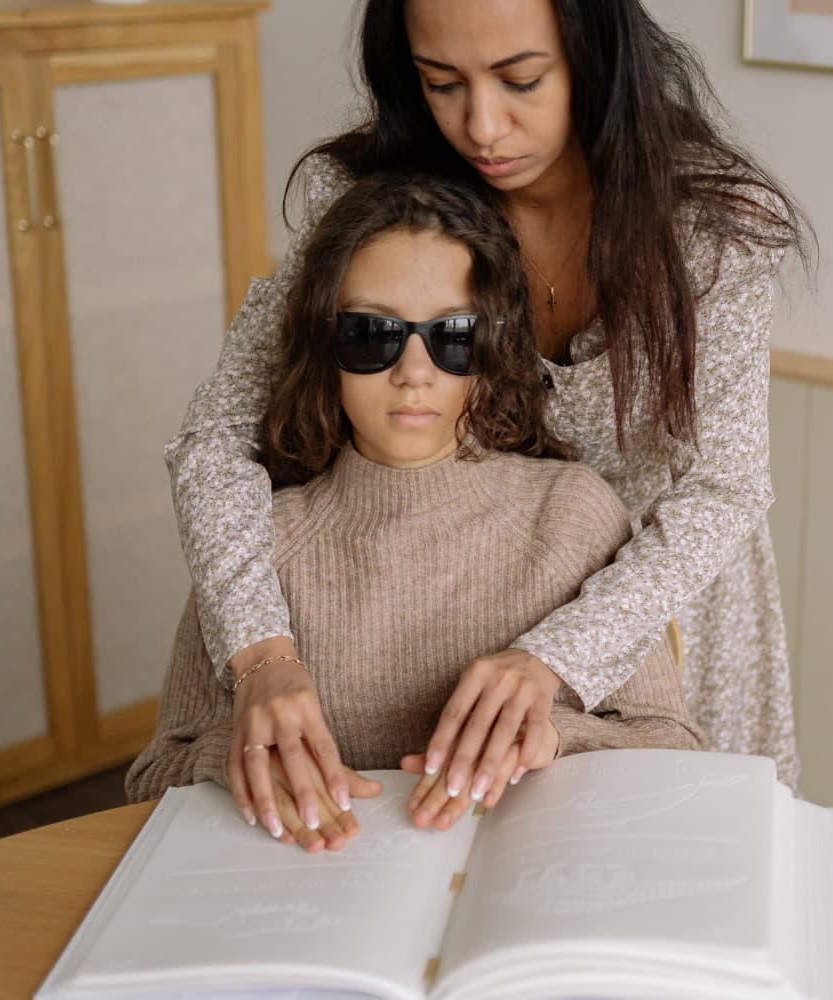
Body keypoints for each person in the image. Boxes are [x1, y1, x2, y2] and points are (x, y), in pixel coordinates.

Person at [167, 0, 810, 839]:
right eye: (442, 83)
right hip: (471, 587)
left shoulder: (707, 225)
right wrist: (261, 655)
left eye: (521, 79)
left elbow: (723, 486)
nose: (482, 125)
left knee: (667, 867)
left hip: (659, 600)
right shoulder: (376, 200)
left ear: (595, 54)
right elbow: (216, 437)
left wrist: (559, 657)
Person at [130, 171, 700, 850]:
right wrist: (233, 760)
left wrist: (556, 736)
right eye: (373, 334)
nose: (414, 369)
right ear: (326, 348)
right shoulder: (253, 546)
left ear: (493, 351)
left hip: (527, 888)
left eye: (454, 335)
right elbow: (154, 773)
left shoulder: (572, 514)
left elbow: (673, 745)